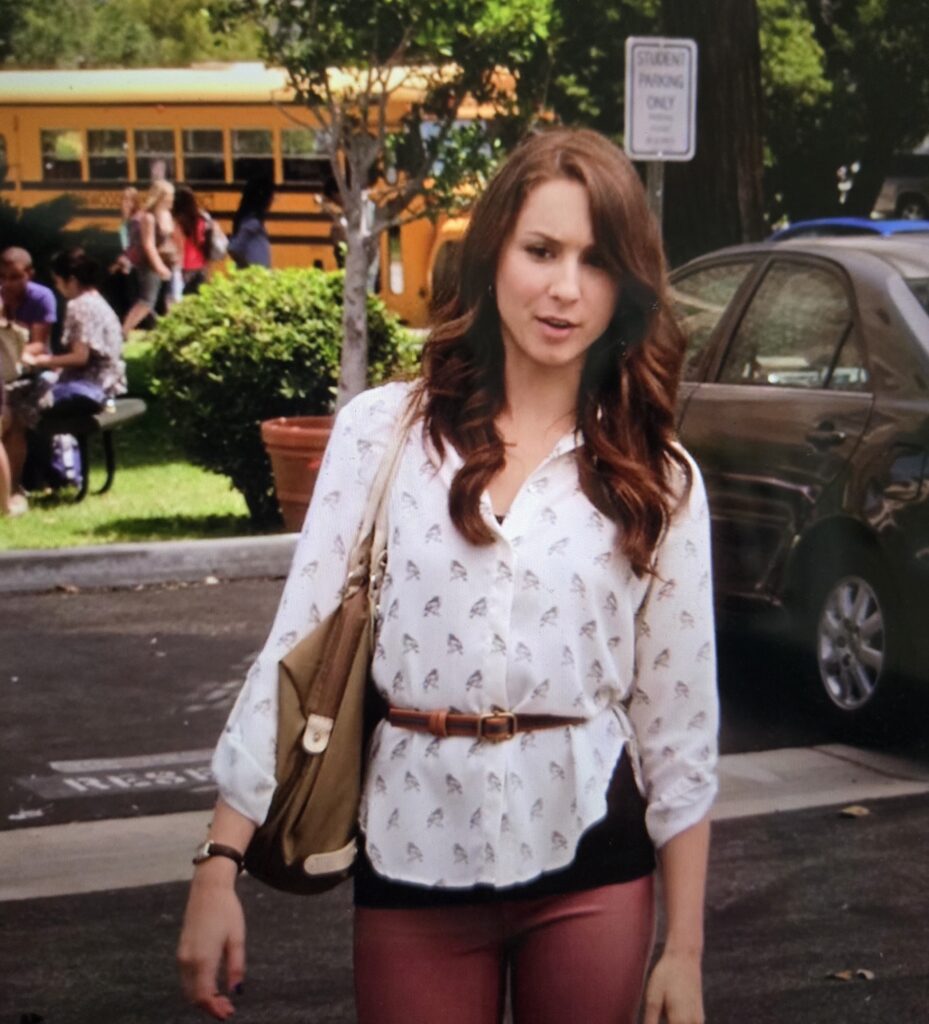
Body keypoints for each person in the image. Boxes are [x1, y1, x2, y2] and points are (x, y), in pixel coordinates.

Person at [178, 128, 719, 1024]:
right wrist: (218, 863)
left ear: (627, 285)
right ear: (492, 251)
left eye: (595, 261)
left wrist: (684, 951)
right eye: (540, 250)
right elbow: (294, 649)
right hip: (413, 854)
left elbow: (679, 730)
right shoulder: (383, 433)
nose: (564, 288)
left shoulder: (656, 476)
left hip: (592, 856)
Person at [23, 247, 127, 416]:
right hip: (110, 384)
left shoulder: (79, 305)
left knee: (24, 399)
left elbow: (80, 357)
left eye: (57, 281)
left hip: (91, 386)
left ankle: (57, 442)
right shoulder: (97, 300)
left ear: (70, 280)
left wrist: (41, 360)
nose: (57, 288)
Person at [0, 246, 58, 508]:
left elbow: (39, 344)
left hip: (37, 372)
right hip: (7, 373)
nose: (8, 283)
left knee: (15, 417)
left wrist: (15, 353)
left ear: (29, 274)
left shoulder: (42, 297)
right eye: (3, 277)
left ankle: (14, 487)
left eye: (15, 277)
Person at [121, 179, 178, 337]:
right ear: (160, 197)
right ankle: (123, 331)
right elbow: (149, 245)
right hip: (151, 265)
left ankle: (173, 333)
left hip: (170, 262)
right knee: (146, 301)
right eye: (169, 196)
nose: (172, 199)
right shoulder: (148, 217)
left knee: (171, 299)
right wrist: (159, 266)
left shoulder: (166, 214)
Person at [172, 185, 211, 298]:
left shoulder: (178, 222)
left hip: (185, 267)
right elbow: (204, 242)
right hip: (201, 264)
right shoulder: (202, 219)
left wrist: (177, 271)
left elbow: (179, 247)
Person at [228, 175, 273, 269]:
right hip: (255, 276)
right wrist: (248, 267)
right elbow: (233, 248)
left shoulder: (252, 221)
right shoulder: (252, 223)